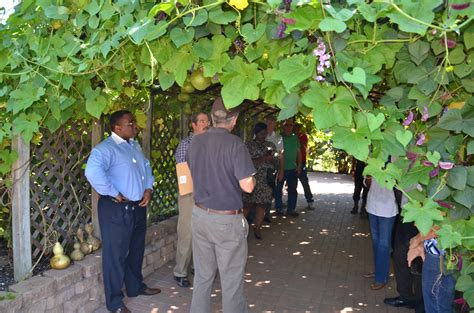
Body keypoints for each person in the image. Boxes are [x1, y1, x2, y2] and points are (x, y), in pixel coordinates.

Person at [85, 110, 161, 313]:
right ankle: (115, 303)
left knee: (136, 250)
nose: (135, 126)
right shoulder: (106, 149)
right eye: (131, 123)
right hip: (116, 209)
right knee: (115, 256)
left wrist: (148, 189)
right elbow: (92, 172)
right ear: (117, 128)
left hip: (138, 207)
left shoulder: (134, 145)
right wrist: (113, 192)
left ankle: (135, 287)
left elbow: (146, 168)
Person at [187, 97, 256, 313]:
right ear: (234, 120)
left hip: (199, 215)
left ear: (212, 118)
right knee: (231, 282)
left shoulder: (196, 141)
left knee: (203, 277)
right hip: (226, 221)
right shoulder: (235, 144)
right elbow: (248, 186)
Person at [173, 112, 210, 288]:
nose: (206, 124)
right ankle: (180, 271)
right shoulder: (186, 144)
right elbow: (181, 170)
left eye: (207, 121)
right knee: (187, 232)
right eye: (202, 121)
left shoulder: (210, 143)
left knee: (203, 232)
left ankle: (197, 266)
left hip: (207, 194)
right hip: (189, 194)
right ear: (193, 125)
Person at [243, 122, 278, 239]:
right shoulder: (248, 145)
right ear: (256, 133)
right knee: (247, 205)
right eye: (261, 133)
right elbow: (245, 162)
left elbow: (276, 161)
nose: (263, 136)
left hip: (266, 180)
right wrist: (263, 159)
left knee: (262, 205)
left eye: (265, 133)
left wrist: (272, 160)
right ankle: (241, 229)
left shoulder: (271, 145)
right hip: (252, 180)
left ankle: (257, 228)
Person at [408, 228, 455, 313]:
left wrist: (416, 240)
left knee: (436, 306)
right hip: (442, 256)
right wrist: (422, 242)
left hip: (439, 257)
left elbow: (439, 226)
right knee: (439, 305)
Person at [363, 175, 397, 290]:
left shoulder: (396, 160)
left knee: (384, 244)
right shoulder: (373, 159)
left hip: (388, 208)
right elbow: (367, 184)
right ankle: (378, 271)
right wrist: (368, 176)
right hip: (372, 205)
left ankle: (381, 278)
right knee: (375, 242)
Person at [384, 216, 424, 311]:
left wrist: (419, 239)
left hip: (422, 224)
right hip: (407, 216)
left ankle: (420, 305)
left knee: (418, 265)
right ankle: (406, 298)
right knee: (399, 256)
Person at [274, 119, 301, 217]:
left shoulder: (295, 137)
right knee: (278, 189)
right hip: (280, 168)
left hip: (292, 168)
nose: (288, 127)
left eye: (290, 125)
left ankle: (291, 209)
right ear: (283, 126)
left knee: (293, 190)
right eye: (286, 125)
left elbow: (299, 152)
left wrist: (299, 165)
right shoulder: (279, 137)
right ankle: (279, 208)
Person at [264, 115, 284, 221]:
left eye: (271, 123)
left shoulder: (278, 138)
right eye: (268, 122)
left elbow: (281, 156)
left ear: (275, 124)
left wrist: (281, 171)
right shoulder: (259, 135)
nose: (269, 125)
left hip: (273, 168)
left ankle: (266, 214)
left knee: (270, 191)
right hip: (261, 168)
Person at [294, 123, 315, 210]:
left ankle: (310, 201)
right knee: (292, 183)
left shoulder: (303, 136)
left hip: (301, 162)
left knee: (304, 182)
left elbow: (303, 148)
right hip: (292, 163)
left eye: (297, 128)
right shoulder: (291, 137)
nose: (296, 130)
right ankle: (291, 202)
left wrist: (298, 140)